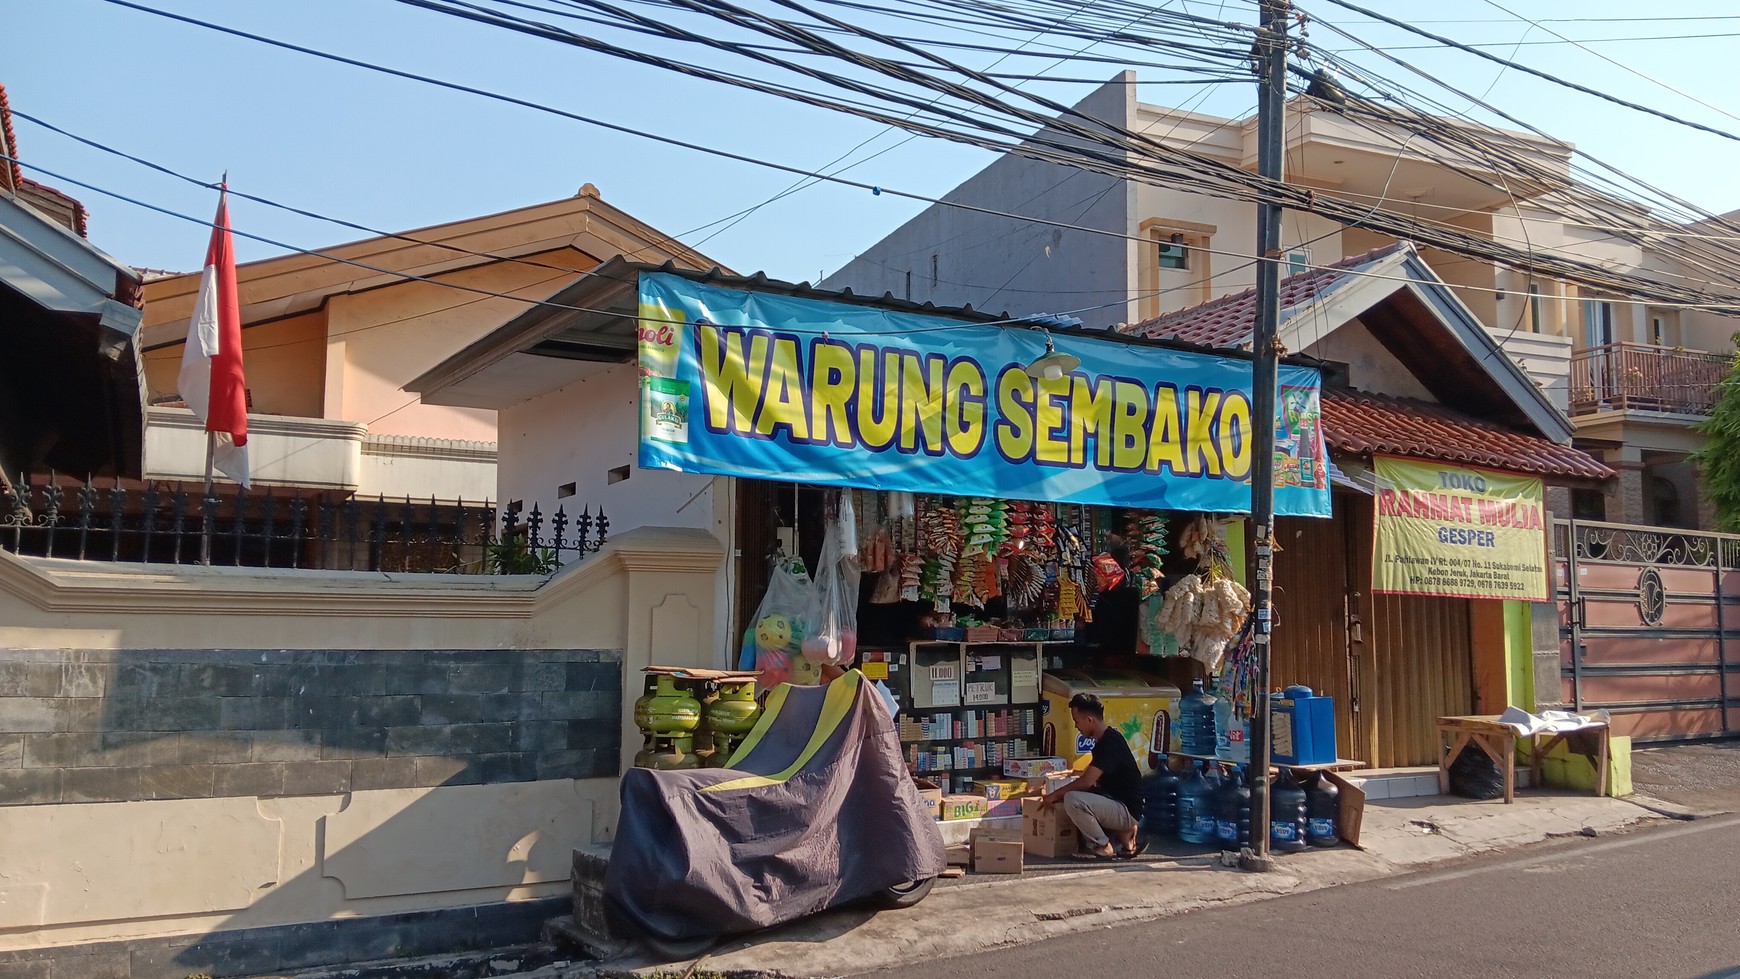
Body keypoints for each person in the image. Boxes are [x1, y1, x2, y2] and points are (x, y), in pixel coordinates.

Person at [1040, 692, 1146, 860]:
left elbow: (1087, 781)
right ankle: (1124, 836)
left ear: (1089, 720)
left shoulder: (1109, 744)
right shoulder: (1106, 740)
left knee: (1073, 799)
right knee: (1076, 795)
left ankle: (1102, 846)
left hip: (1126, 810)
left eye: (1076, 721)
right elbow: (1091, 777)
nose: (1076, 726)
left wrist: (1055, 794)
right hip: (1118, 802)